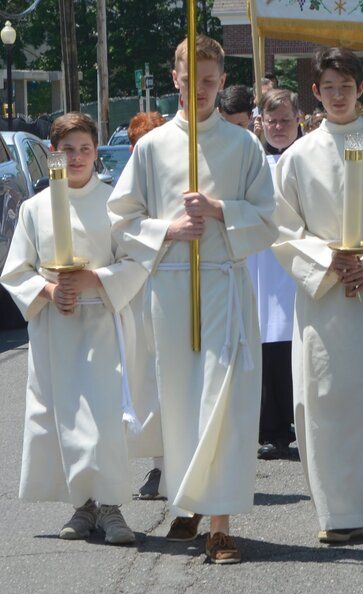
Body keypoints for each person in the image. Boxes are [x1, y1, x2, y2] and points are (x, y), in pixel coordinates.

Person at [107, 35, 277, 564]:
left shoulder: (243, 145)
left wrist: (223, 210)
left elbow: (270, 218)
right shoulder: (153, 147)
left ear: (222, 82)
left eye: (209, 80)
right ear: (174, 77)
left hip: (224, 282)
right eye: (189, 78)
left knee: (222, 397)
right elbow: (122, 217)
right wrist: (169, 228)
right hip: (172, 285)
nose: (199, 89)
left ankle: (221, 521)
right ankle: (189, 499)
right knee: (179, 398)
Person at [273, 47, 363, 544]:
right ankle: (336, 510)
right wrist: (329, 261)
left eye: (346, 86)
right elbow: (283, 227)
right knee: (327, 397)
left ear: (362, 89)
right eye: (328, 87)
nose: (338, 96)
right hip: (325, 300)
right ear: (314, 92)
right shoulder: (297, 156)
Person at [0, 113, 148, 544]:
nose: (78, 157)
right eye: (68, 150)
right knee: (64, 416)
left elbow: (136, 262)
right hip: (56, 328)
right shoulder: (34, 208)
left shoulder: (115, 203)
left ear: (96, 151)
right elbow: (15, 270)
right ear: (52, 154)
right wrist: (46, 289)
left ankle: (112, 506)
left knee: (102, 418)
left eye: (85, 149)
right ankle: (82, 507)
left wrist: (95, 280)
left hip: (103, 321)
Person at [248, 89, 299, 460]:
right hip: (262, 261)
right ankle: (272, 427)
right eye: (272, 121)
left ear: (298, 119)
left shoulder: (306, 158)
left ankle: (304, 422)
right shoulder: (252, 162)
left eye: (285, 120)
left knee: (296, 344)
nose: (278, 128)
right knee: (267, 342)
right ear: (261, 123)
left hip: (299, 258)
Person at [124, 112, 168, 501]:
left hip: (178, 284)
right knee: (148, 380)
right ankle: (158, 464)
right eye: (138, 145)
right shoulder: (128, 186)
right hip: (139, 290)